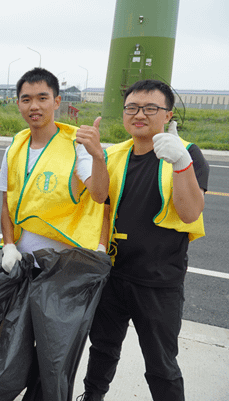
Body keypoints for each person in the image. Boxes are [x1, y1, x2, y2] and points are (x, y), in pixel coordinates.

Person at [79, 80, 209, 401]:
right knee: (103, 349)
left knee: (161, 365)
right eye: (132, 108)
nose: (140, 114)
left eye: (151, 108)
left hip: (158, 281)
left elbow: (191, 212)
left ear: (168, 114)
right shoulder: (118, 153)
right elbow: (98, 195)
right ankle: (91, 397)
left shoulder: (188, 153)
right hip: (114, 274)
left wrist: (181, 164)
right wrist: (97, 155)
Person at [0, 67, 109, 270]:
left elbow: (100, 195)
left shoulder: (77, 145)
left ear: (56, 102)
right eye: (26, 100)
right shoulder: (14, 149)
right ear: (18, 104)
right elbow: (7, 205)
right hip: (20, 263)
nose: (34, 106)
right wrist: (9, 246)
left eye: (42, 98)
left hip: (63, 267)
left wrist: (97, 156)